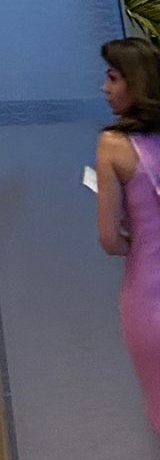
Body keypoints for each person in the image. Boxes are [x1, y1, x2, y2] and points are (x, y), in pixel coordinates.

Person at [96, 34, 160, 433]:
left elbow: (109, 238)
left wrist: (133, 237)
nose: (105, 88)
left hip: (147, 294)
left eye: (113, 77)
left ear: (135, 83)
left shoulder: (112, 145)